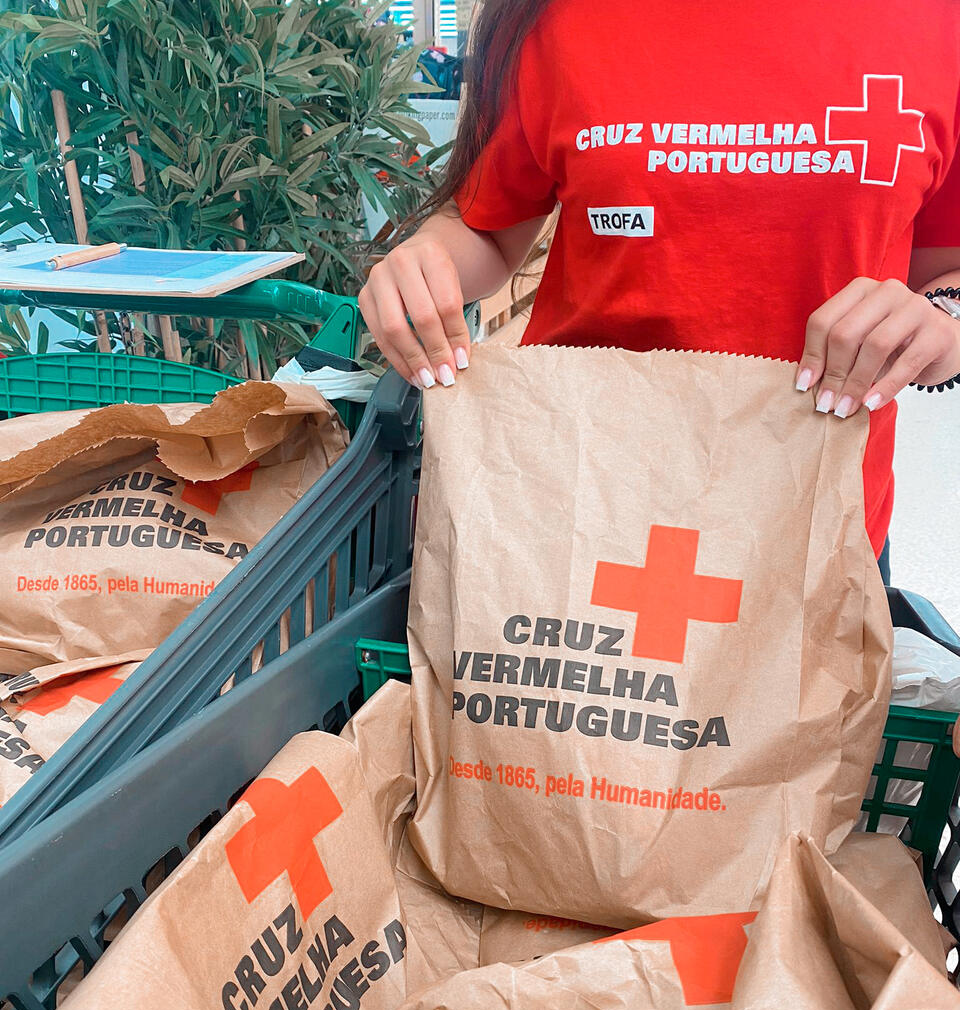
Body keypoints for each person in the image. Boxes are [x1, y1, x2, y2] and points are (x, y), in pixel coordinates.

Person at [359, 0, 960, 582]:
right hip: (579, 504)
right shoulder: (549, 17)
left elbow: (946, 273)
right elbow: (487, 229)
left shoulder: (938, 22)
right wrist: (425, 260)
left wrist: (941, 322)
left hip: (815, 523)